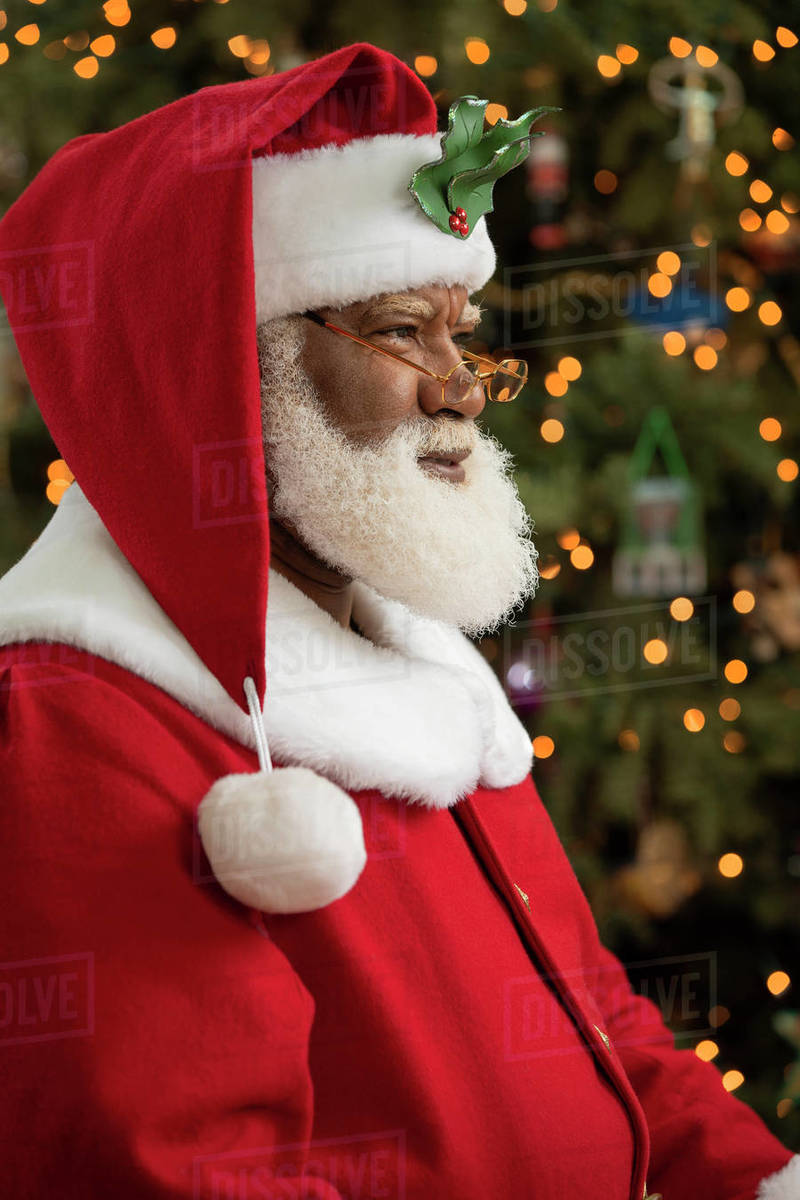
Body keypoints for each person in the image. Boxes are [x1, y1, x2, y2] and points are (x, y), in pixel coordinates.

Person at [0, 41, 796, 1200]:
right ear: (225, 363)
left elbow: (602, 1027)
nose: (462, 385)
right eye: (397, 328)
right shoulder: (78, 710)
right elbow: (172, 1172)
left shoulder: (428, 669)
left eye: (458, 330)